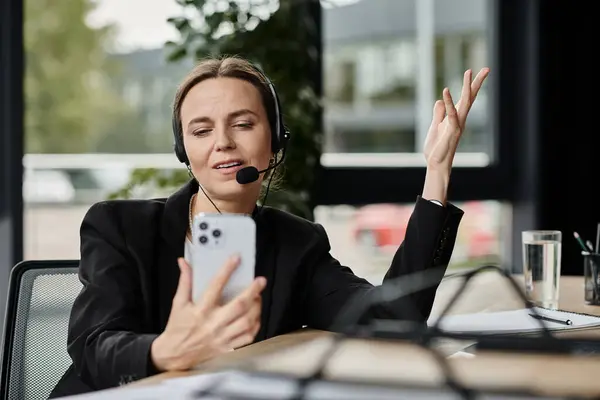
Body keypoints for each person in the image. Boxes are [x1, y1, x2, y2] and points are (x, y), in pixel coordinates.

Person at [49, 55, 489, 397]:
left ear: (275, 139)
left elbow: (394, 316)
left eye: (243, 124)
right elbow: (92, 347)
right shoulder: (120, 227)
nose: (223, 142)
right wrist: (164, 351)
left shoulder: (295, 243)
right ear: (183, 150)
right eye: (201, 131)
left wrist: (437, 171)